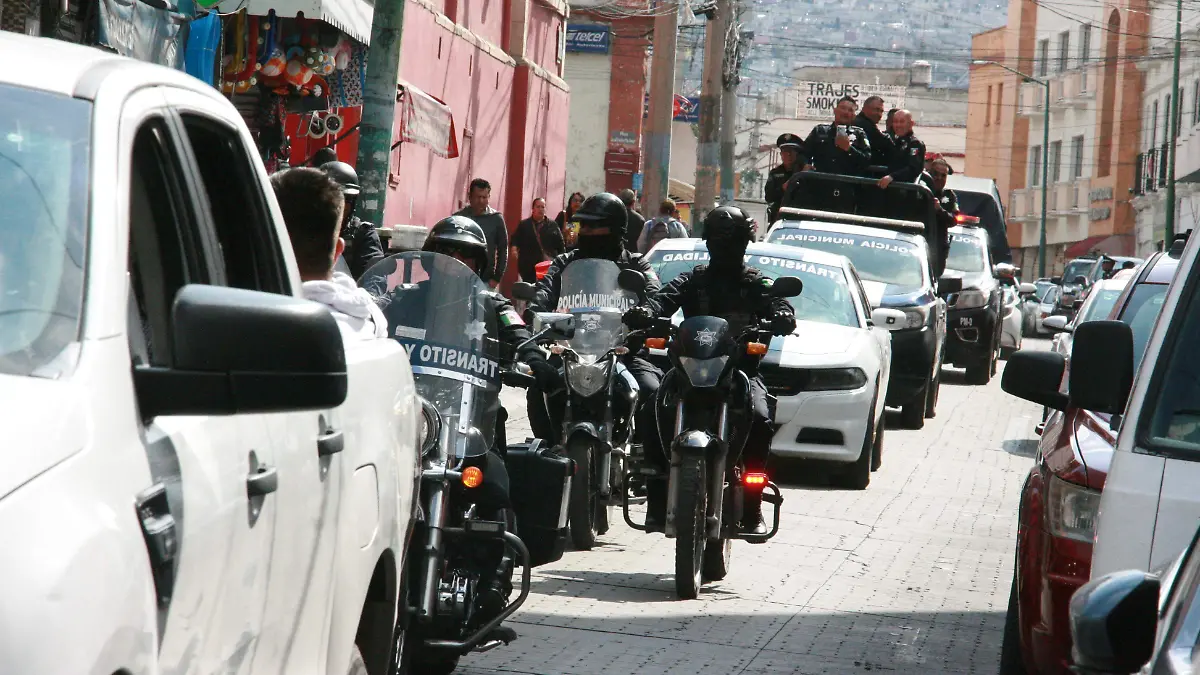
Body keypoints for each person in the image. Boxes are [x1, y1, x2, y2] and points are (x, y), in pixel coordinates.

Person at [404, 215, 561, 623]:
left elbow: (518, 333)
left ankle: (495, 582)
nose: (455, 262)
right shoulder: (404, 297)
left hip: (470, 419)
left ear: (479, 263)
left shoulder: (493, 304)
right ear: (431, 255)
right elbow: (370, 321)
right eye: (446, 253)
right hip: (412, 418)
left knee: (493, 484)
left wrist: (535, 359)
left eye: (465, 255)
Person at [623, 206, 796, 535]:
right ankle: (657, 497)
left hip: (739, 372)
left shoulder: (755, 282)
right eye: (718, 241)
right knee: (650, 408)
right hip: (690, 370)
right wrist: (646, 310)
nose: (725, 248)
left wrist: (783, 313)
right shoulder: (694, 279)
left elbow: (776, 298)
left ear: (744, 243)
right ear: (708, 243)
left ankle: (752, 504)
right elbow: (664, 297)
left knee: (760, 417)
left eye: (732, 242)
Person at [527, 192, 664, 494]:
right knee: (539, 388)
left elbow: (656, 294)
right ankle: (547, 453)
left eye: (593, 226)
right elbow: (545, 291)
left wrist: (647, 311)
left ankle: (647, 465)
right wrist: (535, 311)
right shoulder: (565, 262)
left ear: (615, 229)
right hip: (572, 352)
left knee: (652, 390)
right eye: (583, 226)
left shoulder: (636, 264)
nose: (586, 232)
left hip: (623, 352)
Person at [270, 167, 387, 339]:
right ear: (338, 250)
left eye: (347, 204)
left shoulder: (259, 324)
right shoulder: (373, 323)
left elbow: (374, 275)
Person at [319, 161, 386, 280]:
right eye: (328, 200)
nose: (336, 206)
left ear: (352, 202)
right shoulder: (305, 231)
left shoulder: (363, 233)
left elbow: (374, 277)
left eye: (344, 200)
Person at [454, 178, 509, 288]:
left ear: (489, 197)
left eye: (484, 197)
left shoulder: (496, 218)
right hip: (461, 279)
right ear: (470, 197)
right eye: (478, 197)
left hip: (485, 281)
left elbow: (503, 249)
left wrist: (497, 278)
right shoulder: (459, 217)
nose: (481, 201)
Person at [803, 95, 872, 176]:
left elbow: (867, 160)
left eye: (850, 110)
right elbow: (803, 152)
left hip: (848, 181)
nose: (846, 112)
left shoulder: (859, 134)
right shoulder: (820, 130)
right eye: (843, 108)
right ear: (835, 111)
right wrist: (806, 164)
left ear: (854, 116)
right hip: (821, 180)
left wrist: (849, 149)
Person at [510, 197, 565, 283]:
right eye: (538, 207)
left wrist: (560, 262)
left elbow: (560, 244)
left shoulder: (552, 225)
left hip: (547, 266)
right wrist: (514, 248)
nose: (540, 209)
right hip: (529, 267)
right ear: (533, 209)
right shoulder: (524, 224)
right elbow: (515, 239)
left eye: (543, 207)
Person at [878, 110, 927, 189]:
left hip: (905, 189)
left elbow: (914, 168)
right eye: (895, 122)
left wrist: (892, 176)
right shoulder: (897, 141)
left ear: (911, 124)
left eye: (902, 122)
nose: (898, 125)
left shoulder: (915, 144)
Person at [927, 157, 957, 278]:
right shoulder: (921, 191)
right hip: (920, 244)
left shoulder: (949, 196)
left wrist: (940, 210)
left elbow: (954, 220)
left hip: (938, 249)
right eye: (935, 174)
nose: (939, 178)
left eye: (943, 175)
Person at [765, 133, 804, 224]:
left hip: (799, 218)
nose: (789, 155)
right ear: (781, 154)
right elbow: (769, 197)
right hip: (778, 218)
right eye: (785, 151)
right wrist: (783, 188)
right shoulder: (775, 173)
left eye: (792, 151)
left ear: (797, 154)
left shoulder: (804, 173)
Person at [855, 95, 894, 170]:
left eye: (881, 111)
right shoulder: (864, 124)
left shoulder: (863, 122)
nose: (879, 114)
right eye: (876, 109)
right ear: (864, 109)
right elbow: (886, 143)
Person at [618, 188, 645, 253]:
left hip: (615, 254)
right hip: (633, 254)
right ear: (633, 202)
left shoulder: (612, 216)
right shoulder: (640, 219)